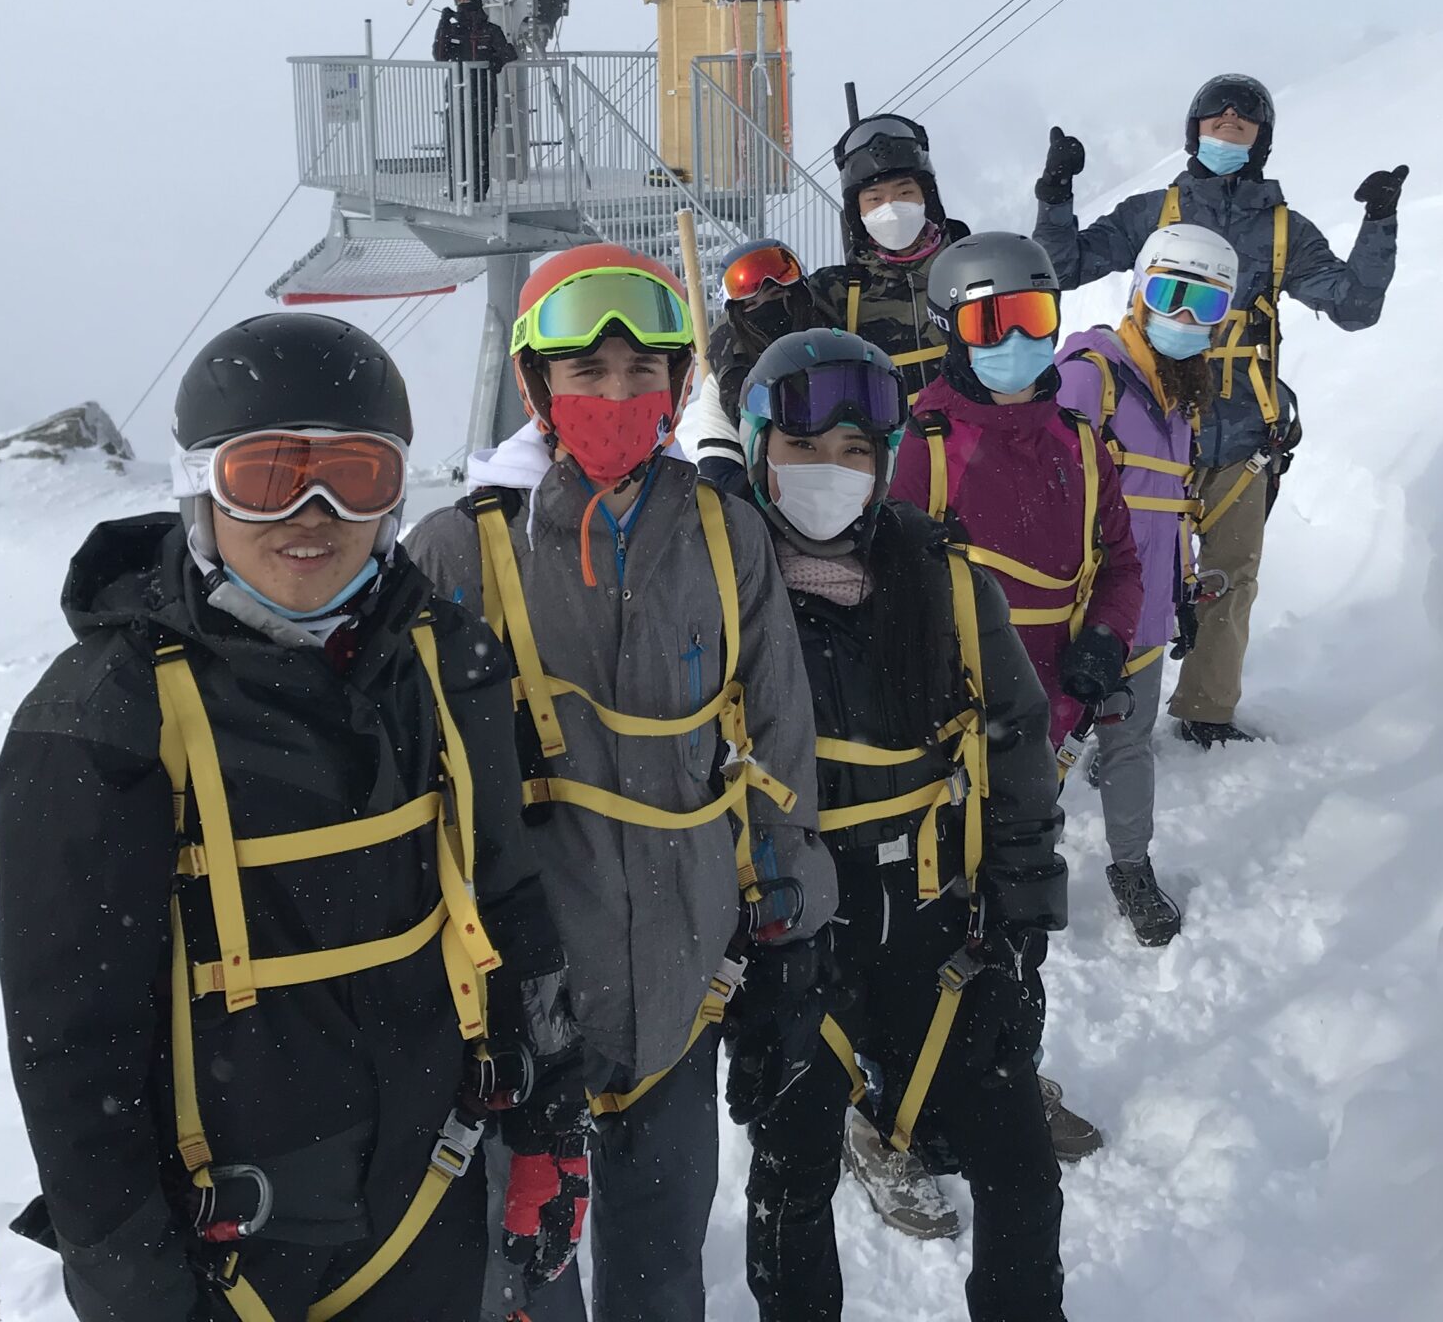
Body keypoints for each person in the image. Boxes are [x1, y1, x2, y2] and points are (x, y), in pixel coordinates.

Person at [0, 314, 587, 1322]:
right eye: (265, 477)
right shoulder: (106, 723)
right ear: (198, 490)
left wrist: (548, 1119)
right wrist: (131, 1283)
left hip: (426, 1199)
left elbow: (506, 896)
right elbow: (72, 1053)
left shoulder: (443, 661)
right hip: (231, 1252)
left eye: (354, 476)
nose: (311, 514)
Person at [405, 243, 835, 1322]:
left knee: (658, 1272)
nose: (615, 396)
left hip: (679, 1000)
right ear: (537, 389)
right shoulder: (457, 557)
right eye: (586, 374)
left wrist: (788, 934)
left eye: (642, 375)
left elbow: (773, 738)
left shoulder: (721, 535)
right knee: (524, 1284)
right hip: (517, 1016)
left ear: (680, 388)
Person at [733, 330, 1070, 1321]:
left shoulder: (943, 584)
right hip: (792, 940)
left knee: (1016, 1168)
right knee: (791, 1181)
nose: (830, 475)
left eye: (853, 453)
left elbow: (1014, 751)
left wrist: (1019, 930)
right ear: (757, 453)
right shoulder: (724, 596)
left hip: (935, 925)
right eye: (804, 451)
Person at [1031, 73, 1402, 744]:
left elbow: (1353, 304)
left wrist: (1379, 226)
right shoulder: (1155, 212)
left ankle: (1205, 711)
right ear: (1194, 134)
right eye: (1216, 126)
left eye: (1242, 128)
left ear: (1261, 142)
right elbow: (1064, 265)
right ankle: (1103, 711)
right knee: (1123, 571)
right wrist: (1055, 197)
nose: (1227, 136)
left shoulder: (1283, 230)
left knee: (1228, 579)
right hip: (1149, 426)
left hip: (1242, 436)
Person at [884, 231, 1140, 1177]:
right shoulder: (927, 439)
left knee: (1021, 911)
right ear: (954, 330)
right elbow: (887, 579)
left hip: (1048, 726)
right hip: (947, 731)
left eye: (1033, 321)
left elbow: (1120, 559)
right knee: (936, 916)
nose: (1015, 345)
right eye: (990, 325)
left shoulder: (1079, 440)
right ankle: (900, 1098)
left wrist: (1107, 640)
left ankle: (999, 1072)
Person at [1052, 223, 1243, 946]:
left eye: (1208, 308)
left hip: (1147, 617)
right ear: (1139, 291)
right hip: (1077, 615)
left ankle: (1131, 868)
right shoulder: (1088, 375)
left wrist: (1181, 592)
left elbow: (1174, 510)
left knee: (1129, 749)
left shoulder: (1181, 398)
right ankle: (1014, 864)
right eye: (1173, 296)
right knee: (1042, 754)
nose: (1188, 321)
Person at [810, 111, 969, 404]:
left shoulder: (970, 269)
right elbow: (758, 340)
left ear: (926, 197)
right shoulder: (833, 292)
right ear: (857, 213)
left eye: (905, 192)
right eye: (875, 199)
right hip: (885, 445)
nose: (892, 207)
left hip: (969, 443)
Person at [676, 236, 832, 494]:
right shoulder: (726, 382)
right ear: (737, 318)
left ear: (799, 295)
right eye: (751, 304)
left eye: (777, 294)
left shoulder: (841, 356)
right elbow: (720, 479)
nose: (767, 309)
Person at [434, 0, 519, 202]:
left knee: (479, 143)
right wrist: (443, 24)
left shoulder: (489, 30)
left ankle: (478, 190)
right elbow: (440, 54)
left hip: (482, 95)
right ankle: (457, 188)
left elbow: (508, 54)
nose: (463, 5)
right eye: (459, 0)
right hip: (456, 93)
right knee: (456, 142)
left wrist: (492, 63)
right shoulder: (453, 31)